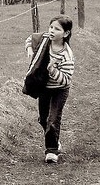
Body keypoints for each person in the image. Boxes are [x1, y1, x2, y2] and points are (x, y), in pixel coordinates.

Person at [24, 15, 75, 164]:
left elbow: (66, 79)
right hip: (44, 88)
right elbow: (30, 39)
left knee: (53, 119)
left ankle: (52, 151)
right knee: (43, 119)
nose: (52, 31)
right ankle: (54, 140)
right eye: (51, 27)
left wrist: (52, 70)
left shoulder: (66, 55)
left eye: (57, 29)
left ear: (65, 34)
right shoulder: (44, 39)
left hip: (59, 90)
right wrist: (29, 50)